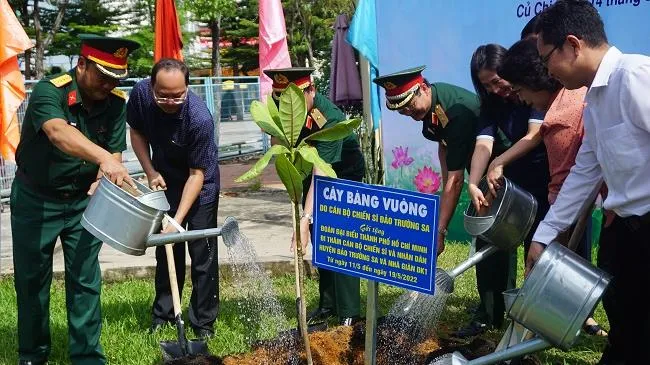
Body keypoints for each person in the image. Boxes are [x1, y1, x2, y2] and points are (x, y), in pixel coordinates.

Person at [527, 1, 650, 364]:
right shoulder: (594, 98)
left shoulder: (635, 77)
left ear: (573, 44)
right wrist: (544, 235)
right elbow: (585, 172)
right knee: (626, 329)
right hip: (625, 237)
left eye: (547, 58)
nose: (547, 72)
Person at [10, 34, 140, 365]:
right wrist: (104, 160)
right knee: (31, 279)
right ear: (82, 64)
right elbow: (57, 131)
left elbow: (114, 155)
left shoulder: (116, 104)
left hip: (84, 200)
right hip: (37, 199)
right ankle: (32, 354)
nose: (109, 84)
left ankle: (86, 356)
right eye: (103, 75)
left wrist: (106, 176)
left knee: (85, 278)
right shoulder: (50, 91)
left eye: (116, 78)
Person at [499, 38, 607, 337]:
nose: (521, 100)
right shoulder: (581, 97)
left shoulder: (560, 118)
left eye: (519, 90)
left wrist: (546, 245)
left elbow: (564, 187)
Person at [264, 67, 366, 326]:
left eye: (294, 101)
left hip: (343, 175)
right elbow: (279, 143)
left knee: (341, 239)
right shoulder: (288, 113)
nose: (289, 108)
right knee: (321, 238)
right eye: (282, 101)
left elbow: (323, 174)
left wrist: (305, 217)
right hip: (312, 174)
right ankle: (328, 304)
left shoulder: (329, 119)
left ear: (311, 90)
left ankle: (350, 313)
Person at [126, 59, 220, 339]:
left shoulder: (199, 118)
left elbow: (197, 174)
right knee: (166, 250)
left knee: (202, 252)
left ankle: (203, 322)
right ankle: (164, 314)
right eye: (162, 95)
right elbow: (137, 132)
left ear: (187, 88)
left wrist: (178, 222)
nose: (169, 101)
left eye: (177, 96)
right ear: (151, 85)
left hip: (199, 184)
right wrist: (150, 170)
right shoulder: (141, 95)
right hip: (165, 179)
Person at [463, 44, 550, 337]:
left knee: (540, 249)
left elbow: (536, 134)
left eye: (498, 81)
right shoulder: (492, 104)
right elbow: (483, 144)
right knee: (496, 240)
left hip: (547, 177)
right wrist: (473, 182)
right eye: (487, 85)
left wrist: (499, 161)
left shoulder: (531, 86)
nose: (496, 89)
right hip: (515, 182)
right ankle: (495, 314)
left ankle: (539, 321)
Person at [374, 66, 481, 257]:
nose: (407, 112)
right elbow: (444, 143)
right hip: (478, 163)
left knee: (494, 241)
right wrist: (446, 178)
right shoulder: (432, 106)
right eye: (401, 110)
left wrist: (440, 232)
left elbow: (456, 181)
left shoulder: (454, 111)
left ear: (423, 88)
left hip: (499, 162)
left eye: (409, 105)